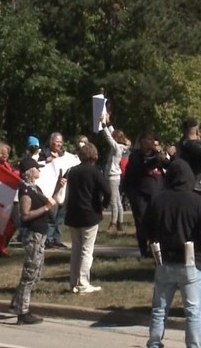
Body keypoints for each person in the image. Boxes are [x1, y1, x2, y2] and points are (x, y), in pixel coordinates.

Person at [142, 160, 201, 348]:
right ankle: (193, 345)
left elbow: (145, 228)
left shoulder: (157, 200)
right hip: (190, 260)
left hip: (164, 260)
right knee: (192, 310)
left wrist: (153, 242)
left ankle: (154, 342)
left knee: (159, 308)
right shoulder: (200, 203)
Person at [11, 158, 58, 325]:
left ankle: (16, 302)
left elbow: (50, 202)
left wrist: (59, 186)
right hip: (33, 236)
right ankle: (22, 313)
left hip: (41, 235)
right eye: (37, 168)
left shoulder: (34, 188)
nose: (40, 170)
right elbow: (25, 214)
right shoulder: (25, 191)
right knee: (29, 274)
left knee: (36, 273)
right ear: (30, 171)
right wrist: (45, 209)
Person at [64, 142, 111, 294]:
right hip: (90, 213)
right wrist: (103, 205)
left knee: (76, 250)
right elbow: (107, 191)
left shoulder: (72, 171)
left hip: (73, 213)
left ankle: (73, 282)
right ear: (94, 155)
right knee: (86, 250)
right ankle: (83, 283)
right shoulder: (95, 172)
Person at [125, 131, 168, 257]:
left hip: (157, 194)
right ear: (142, 142)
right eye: (148, 139)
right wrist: (155, 160)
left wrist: (169, 156)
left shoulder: (157, 154)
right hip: (140, 194)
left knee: (157, 222)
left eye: (152, 140)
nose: (150, 142)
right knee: (142, 222)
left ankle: (156, 249)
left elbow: (169, 165)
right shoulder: (135, 156)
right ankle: (144, 251)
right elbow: (141, 168)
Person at [100, 113, 129, 233]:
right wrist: (108, 122)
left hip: (112, 176)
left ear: (116, 139)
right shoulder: (121, 146)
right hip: (116, 176)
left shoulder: (116, 147)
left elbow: (109, 136)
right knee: (117, 200)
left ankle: (113, 222)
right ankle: (120, 223)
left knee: (113, 201)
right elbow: (113, 133)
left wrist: (102, 124)